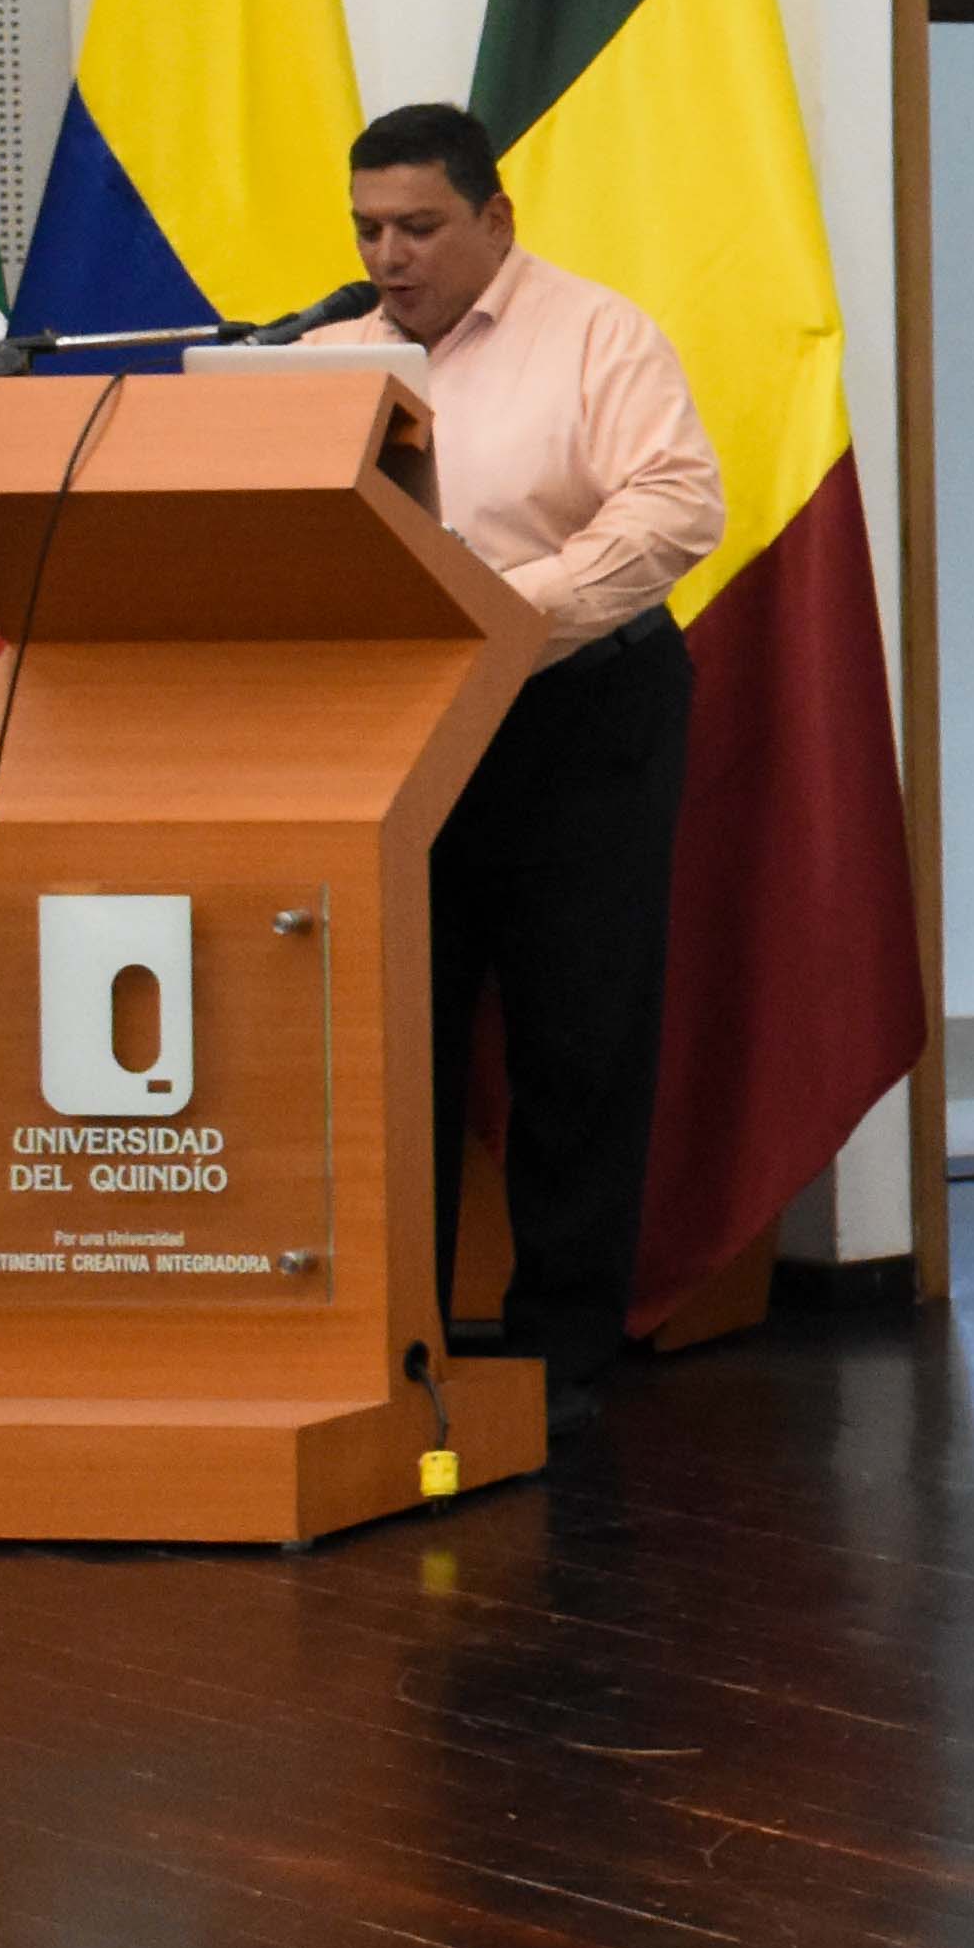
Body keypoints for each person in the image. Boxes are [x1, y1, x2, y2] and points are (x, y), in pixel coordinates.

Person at [317, 102, 722, 1411]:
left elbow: (677, 506)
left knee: (576, 1034)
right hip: (397, 723)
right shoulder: (325, 358)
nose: (389, 256)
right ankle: (396, 1345)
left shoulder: (599, 334)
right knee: (398, 1036)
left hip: (576, 714)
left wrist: (500, 615)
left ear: (495, 216)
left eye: (418, 226)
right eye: (368, 229)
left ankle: (563, 1355)